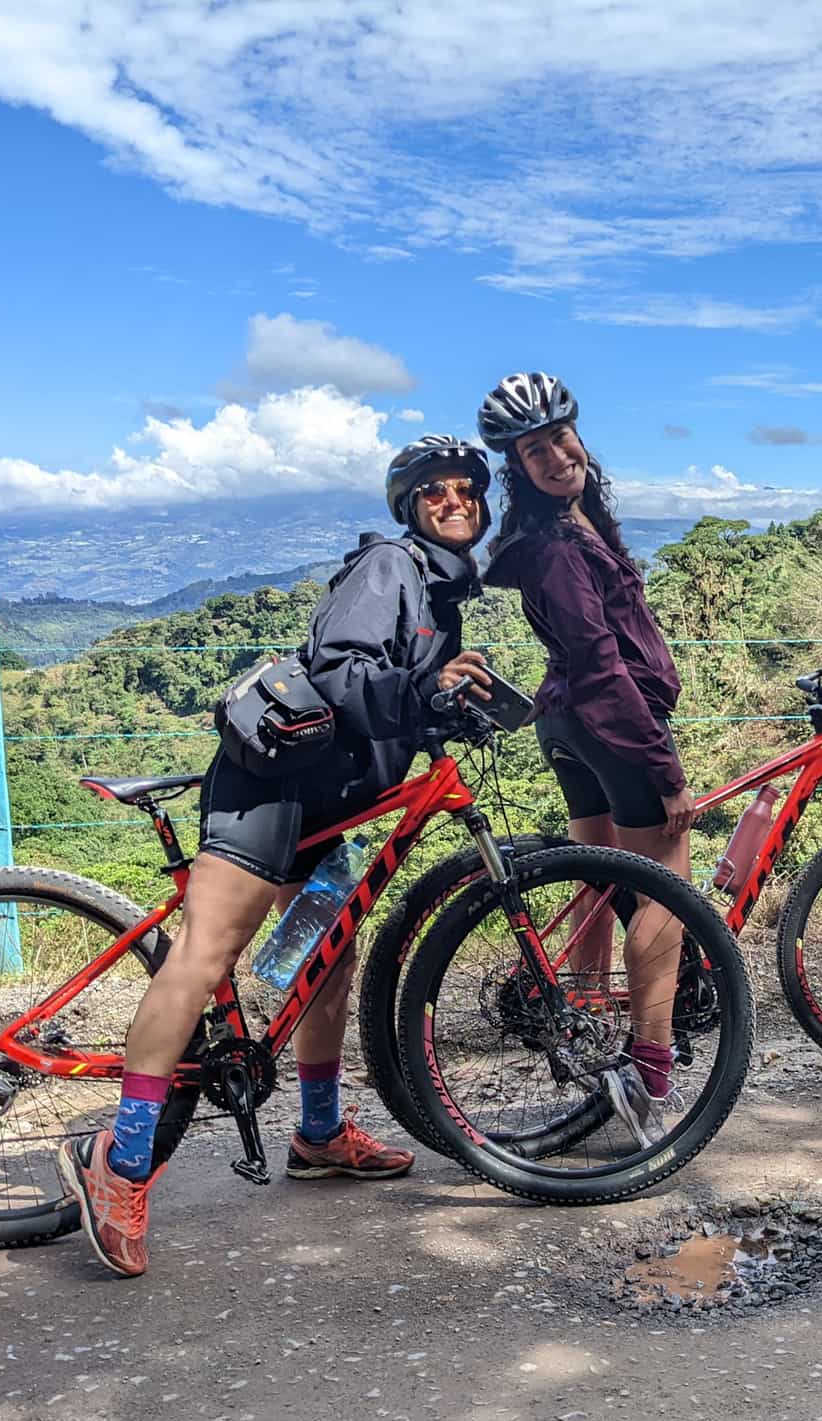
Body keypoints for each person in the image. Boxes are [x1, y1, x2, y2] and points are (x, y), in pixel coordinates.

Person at [59, 435, 499, 1278]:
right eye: (436, 492)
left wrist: (450, 700)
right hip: (274, 785)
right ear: (408, 507)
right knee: (203, 956)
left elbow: (398, 695)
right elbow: (342, 672)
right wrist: (420, 690)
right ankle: (119, 1165)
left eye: (468, 492)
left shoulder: (442, 593)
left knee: (330, 961)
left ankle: (321, 1131)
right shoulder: (389, 570)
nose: (455, 502)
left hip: (334, 798)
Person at [477, 372, 691, 1148]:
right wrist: (663, 769)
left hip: (566, 723)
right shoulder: (562, 547)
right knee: (663, 893)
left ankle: (588, 1028)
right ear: (519, 467)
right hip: (608, 720)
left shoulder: (571, 523)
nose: (559, 454)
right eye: (537, 450)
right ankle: (649, 1073)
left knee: (605, 879)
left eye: (563, 436)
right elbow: (600, 663)